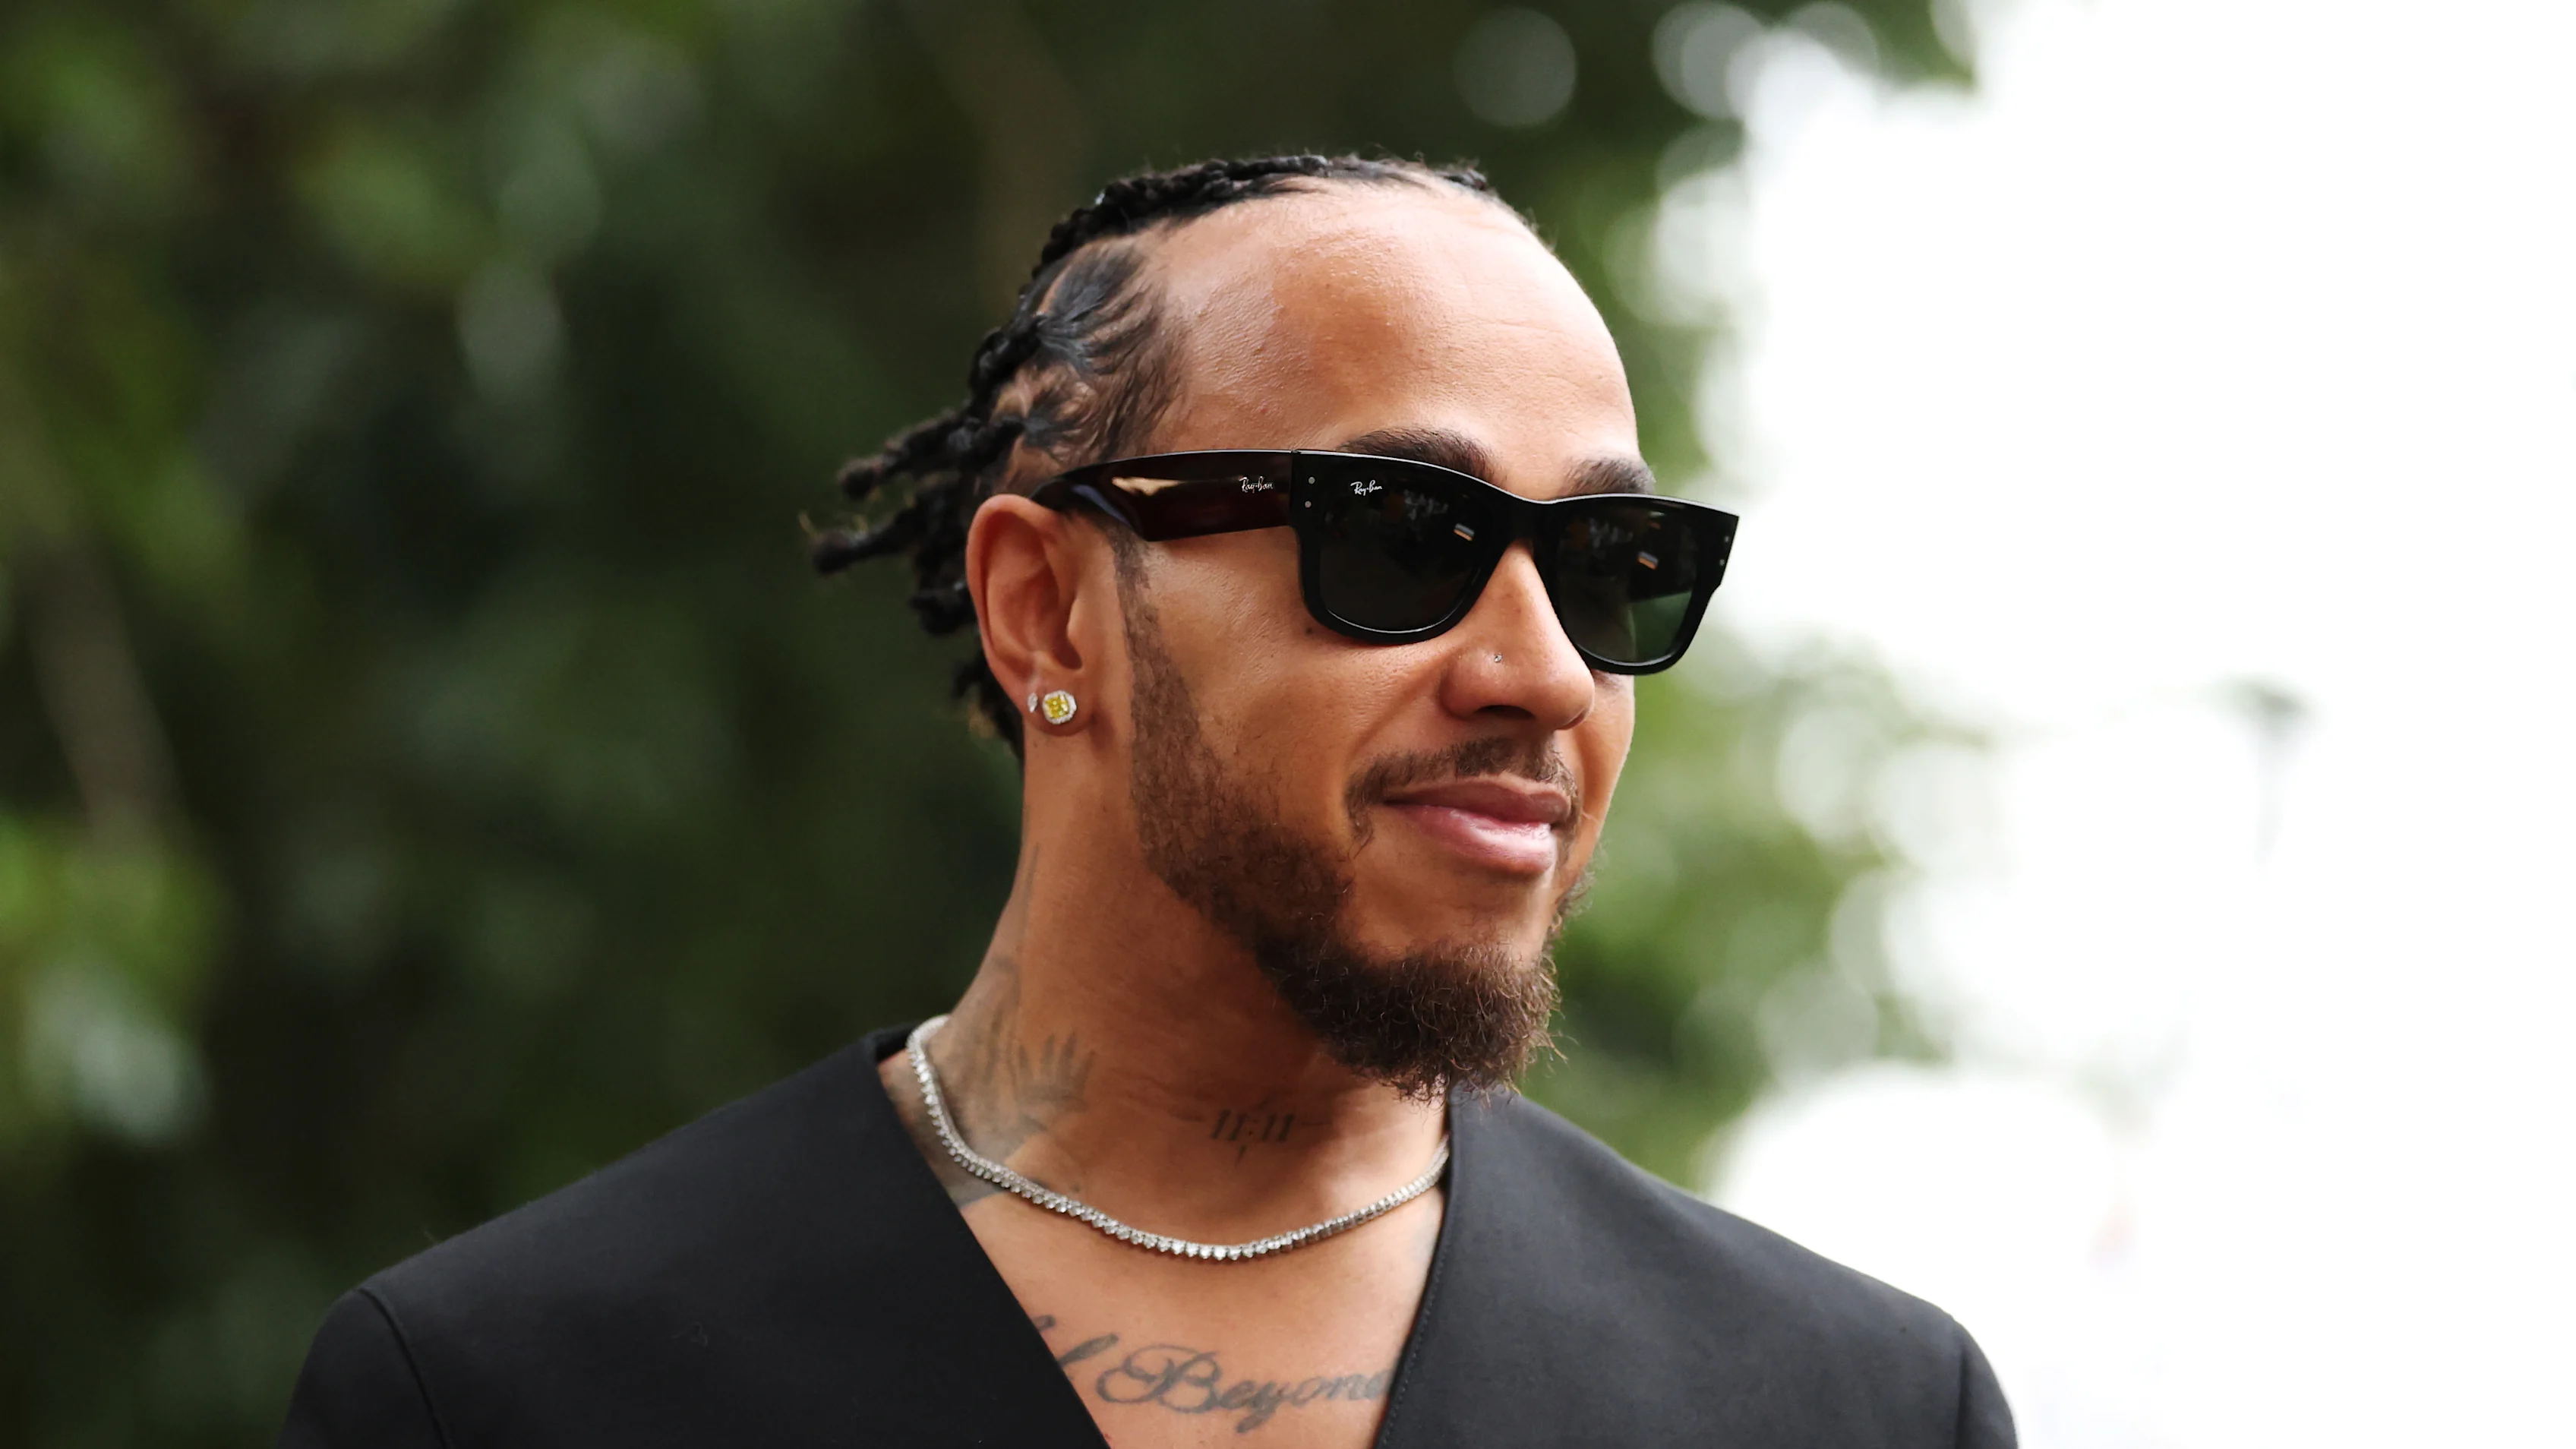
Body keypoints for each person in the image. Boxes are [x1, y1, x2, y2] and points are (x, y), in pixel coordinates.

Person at [279, 153, 2014, 1448]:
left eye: (1608, 566)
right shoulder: (512, 1393)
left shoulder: (1852, 1408)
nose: (1547, 670)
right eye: (1402, 537)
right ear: (1051, 611)